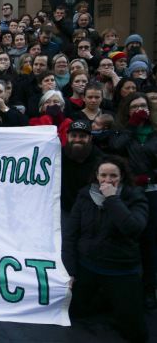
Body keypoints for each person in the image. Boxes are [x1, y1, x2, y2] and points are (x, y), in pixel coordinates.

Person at [62, 155, 148, 342]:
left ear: (122, 177)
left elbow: (133, 228)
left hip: (121, 270)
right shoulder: (85, 195)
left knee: (135, 332)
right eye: (103, 175)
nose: (108, 180)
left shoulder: (134, 197)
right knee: (74, 312)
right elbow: (70, 234)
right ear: (96, 176)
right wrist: (70, 271)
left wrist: (111, 199)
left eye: (113, 176)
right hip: (88, 266)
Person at [109, 92, 157, 310]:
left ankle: (149, 289)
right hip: (128, 192)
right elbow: (116, 147)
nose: (140, 110)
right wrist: (131, 126)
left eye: (143, 106)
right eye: (135, 106)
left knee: (149, 242)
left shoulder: (154, 132)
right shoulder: (122, 130)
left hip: (151, 191)